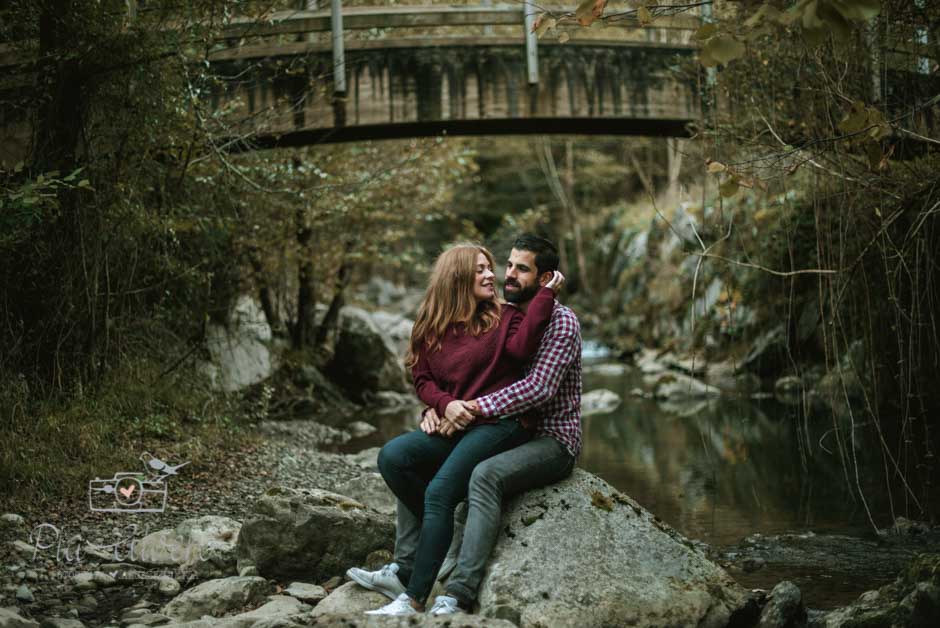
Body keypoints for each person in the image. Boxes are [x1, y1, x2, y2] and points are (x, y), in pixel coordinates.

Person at [348, 234, 582, 615]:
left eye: (520, 269)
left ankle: (451, 592)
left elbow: (536, 388)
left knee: (476, 479)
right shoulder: (495, 313)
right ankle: (411, 563)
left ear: (545, 279)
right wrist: (440, 407)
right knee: (401, 458)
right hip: (486, 422)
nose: (505, 274)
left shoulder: (554, 320)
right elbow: (434, 377)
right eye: (506, 265)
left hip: (544, 435)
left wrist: (468, 408)